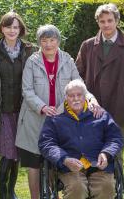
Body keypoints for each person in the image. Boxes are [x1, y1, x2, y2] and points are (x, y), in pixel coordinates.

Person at [15, 24, 101, 199]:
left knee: (56, 158)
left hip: (61, 120)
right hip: (35, 120)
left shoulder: (67, 60)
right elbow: (27, 90)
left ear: (58, 42)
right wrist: (42, 107)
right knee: (34, 164)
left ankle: (54, 193)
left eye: (52, 40)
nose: (48, 45)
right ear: (39, 43)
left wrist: (91, 98)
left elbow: (79, 85)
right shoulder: (32, 61)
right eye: (44, 41)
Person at [75, 3, 124, 166]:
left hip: (117, 109)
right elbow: (76, 75)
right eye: (102, 21)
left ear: (117, 21)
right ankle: (93, 191)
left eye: (109, 20)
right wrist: (85, 98)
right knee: (89, 155)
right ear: (98, 22)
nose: (106, 25)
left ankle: (117, 192)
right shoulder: (87, 46)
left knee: (115, 155)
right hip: (91, 110)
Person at [38, 79, 124, 199]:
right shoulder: (55, 118)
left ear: (85, 97)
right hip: (70, 167)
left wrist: (106, 153)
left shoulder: (100, 115)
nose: (76, 99)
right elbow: (46, 143)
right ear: (66, 98)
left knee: (106, 186)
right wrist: (64, 159)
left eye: (79, 95)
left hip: (98, 166)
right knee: (77, 188)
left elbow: (115, 137)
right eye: (71, 96)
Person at [0, 11, 37, 199]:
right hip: (2, 111)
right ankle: (2, 194)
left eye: (16, 27)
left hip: (23, 111)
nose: (12, 30)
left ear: (20, 29)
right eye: (8, 26)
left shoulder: (30, 50)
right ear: (2, 28)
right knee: (8, 153)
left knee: (16, 154)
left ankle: (11, 191)